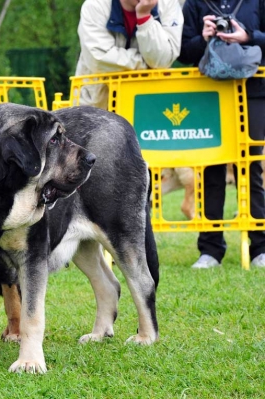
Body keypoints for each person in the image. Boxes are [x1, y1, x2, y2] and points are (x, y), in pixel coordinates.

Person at [178, 0, 265, 269]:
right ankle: (210, 249)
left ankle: (260, 247)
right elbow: (182, 51)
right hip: (208, 94)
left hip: (253, 91)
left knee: (252, 167)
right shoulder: (194, 3)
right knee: (211, 168)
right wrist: (202, 38)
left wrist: (248, 35)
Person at [75, 0, 184, 109]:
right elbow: (98, 59)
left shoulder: (168, 4)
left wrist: (144, 18)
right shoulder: (95, 5)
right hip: (96, 106)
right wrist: (148, 66)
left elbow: (162, 60)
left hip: (147, 107)